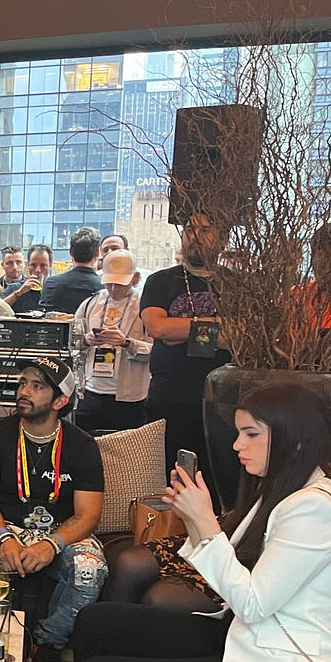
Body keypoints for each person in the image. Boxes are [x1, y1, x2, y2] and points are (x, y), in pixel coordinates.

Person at [18, 383, 331, 662]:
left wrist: (205, 522)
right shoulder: (284, 489)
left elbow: (253, 603)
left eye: (251, 434)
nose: (237, 445)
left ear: (294, 437)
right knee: (97, 621)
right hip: (240, 636)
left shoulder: (312, 508)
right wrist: (193, 519)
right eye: (238, 433)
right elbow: (231, 572)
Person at [0, 357, 106, 662]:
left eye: (37, 386)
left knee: (89, 570)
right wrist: (4, 538)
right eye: (22, 384)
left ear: (60, 401)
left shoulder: (82, 446)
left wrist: (52, 544)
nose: (23, 392)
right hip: (3, 525)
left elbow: (88, 515)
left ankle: (46, 644)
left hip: (61, 533)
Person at [140, 211, 230, 496]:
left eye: (206, 230)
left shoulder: (236, 285)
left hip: (220, 403)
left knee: (217, 486)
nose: (196, 237)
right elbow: (157, 327)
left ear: (222, 238)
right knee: (167, 486)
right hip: (168, 399)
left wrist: (179, 331)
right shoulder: (160, 281)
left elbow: (238, 335)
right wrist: (215, 325)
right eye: (190, 230)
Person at [71, 249, 152, 434]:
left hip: (130, 396)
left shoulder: (145, 306)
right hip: (91, 391)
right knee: (86, 443)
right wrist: (86, 340)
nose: (114, 289)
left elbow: (158, 352)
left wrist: (127, 343)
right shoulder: (91, 303)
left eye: (120, 284)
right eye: (110, 283)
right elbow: (71, 341)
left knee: (126, 447)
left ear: (136, 278)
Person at [40, 226, 103, 314]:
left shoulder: (52, 283)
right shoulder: (104, 287)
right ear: (97, 253)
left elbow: (43, 316)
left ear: (70, 252)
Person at [4, 243, 53, 313]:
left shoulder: (55, 289)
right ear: (28, 265)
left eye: (43, 265)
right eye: (33, 265)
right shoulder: (14, 288)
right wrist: (18, 293)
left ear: (50, 266)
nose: (38, 270)